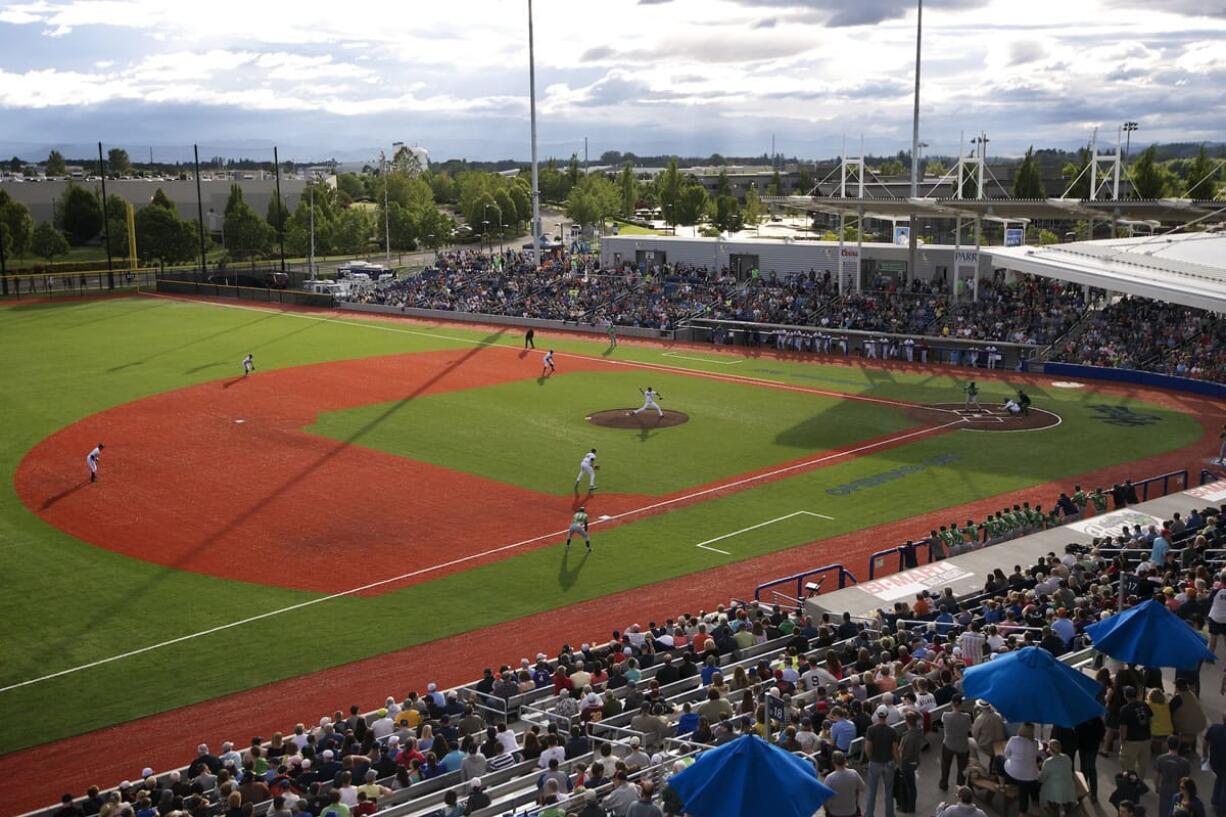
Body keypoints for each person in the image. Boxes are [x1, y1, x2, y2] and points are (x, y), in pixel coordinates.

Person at [864, 705, 900, 817]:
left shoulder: (871, 730)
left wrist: (871, 757)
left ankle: (869, 814)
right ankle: (889, 814)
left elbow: (868, 747)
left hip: (875, 762)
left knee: (872, 790)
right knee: (889, 790)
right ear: (887, 715)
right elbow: (895, 750)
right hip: (888, 763)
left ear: (877, 715)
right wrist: (898, 763)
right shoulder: (892, 731)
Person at [1003, 723, 1041, 814]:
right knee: (1031, 784)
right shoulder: (1035, 743)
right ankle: (1035, 806)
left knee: (998, 760)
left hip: (1014, 773)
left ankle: (1022, 812)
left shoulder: (1013, 740)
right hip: (1031, 775)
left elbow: (1006, 754)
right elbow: (1037, 756)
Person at [1119, 686, 1153, 774]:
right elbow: (1151, 720)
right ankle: (1139, 783)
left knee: (1127, 765)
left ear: (1125, 696)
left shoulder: (1125, 709)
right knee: (1142, 766)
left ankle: (1130, 784)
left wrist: (1123, 741)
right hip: (1146, 739)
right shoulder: (1144, 704)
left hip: (1132, 740)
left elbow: (1123, 727)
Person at [940, 695, 971, 790]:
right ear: (961, 704)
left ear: (951, 704)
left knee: (945, 765)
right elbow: (969, 727)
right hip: (963, 746)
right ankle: (960, 788)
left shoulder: (945, 715)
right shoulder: (967, 717)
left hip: (948, 744)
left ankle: (944, 784)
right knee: (962, 769)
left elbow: (942, 722)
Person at [1155, 736, 1192, 817]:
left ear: (1167, 745)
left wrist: (1156, 786)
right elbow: (1186, 779)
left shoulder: (1160, 759)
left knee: (1163, 812)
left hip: (1165, 790)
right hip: (1178, 791)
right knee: (1177, 813)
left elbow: (1157, 775)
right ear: (1179, 745)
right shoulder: (1184, 762)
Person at [1040, 738, 1077, 815]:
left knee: (1045, 788)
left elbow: (1042, 778)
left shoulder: (1048, 762)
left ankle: (1054, 810)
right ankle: (1067, 809)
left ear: (1050, 749)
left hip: (1054, 790)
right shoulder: (1067, 757)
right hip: (1069, 787)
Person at [822, 751, 865, 817]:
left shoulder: (829, 778)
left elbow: (824, 799)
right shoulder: (854, 773)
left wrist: (826, 809)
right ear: (845, 760)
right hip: (852, 811)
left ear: (833, 762)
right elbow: (862, 788)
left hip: (835, 813)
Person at [899, 710, 925, 813]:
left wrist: (900, 764)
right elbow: (920, 716)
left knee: (910, 786)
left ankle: (910, 807)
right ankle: (910, 804)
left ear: (907, 722)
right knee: (911, 784)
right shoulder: (919, 731)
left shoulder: (907, 737)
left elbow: (905, 753)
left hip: (908, 763)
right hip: (915, 760)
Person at [1202, 713, 1226, 815]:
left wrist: (1205, 755)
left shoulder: (1214, 728)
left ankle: (1215, 800)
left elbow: (1205, 742)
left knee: (1220, 778)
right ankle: (1221, 809)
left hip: (1215, 762)